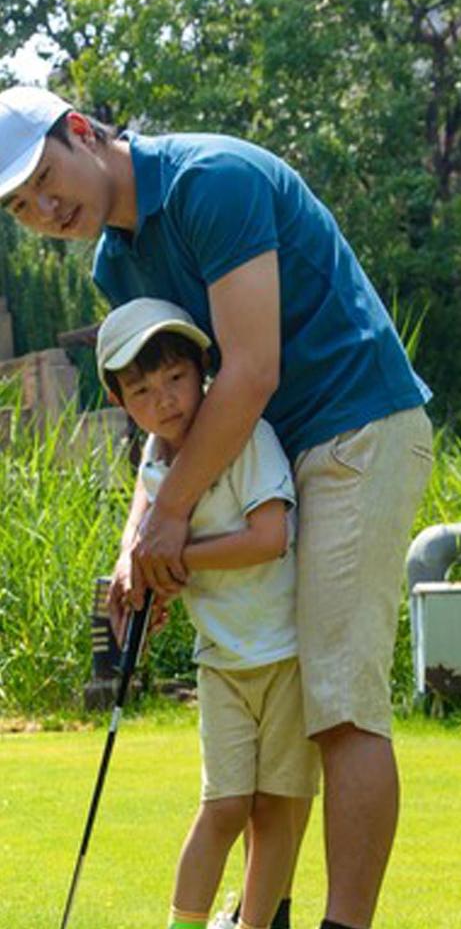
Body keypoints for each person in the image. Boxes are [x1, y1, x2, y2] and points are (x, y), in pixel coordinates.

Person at [0, 85, 434, 929]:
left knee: (338, 703)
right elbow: (165, 421)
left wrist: (173, 521)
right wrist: (139, 546)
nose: (45, 210)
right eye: (21, 206)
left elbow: (251, 370)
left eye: (46, 179)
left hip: (356, 429)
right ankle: (262, 912)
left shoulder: (211, 181)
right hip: (263, 454)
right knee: (287, 697)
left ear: (81, 131)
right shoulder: (115, 264)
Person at [96, 297, 320, 929]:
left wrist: (174, 560)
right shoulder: (156, 465)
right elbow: (152, 542)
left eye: (175, 377)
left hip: (285, 655)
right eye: (141, 390)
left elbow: (269, 537)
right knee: (222, 808)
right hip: (221, 663)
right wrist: (147, 579)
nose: (164, 400)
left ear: (203, 369)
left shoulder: (248, 438)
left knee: (275, 809)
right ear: (119, 401)